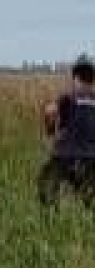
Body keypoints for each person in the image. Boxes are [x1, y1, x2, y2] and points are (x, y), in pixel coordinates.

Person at [37, 54, 95, 207]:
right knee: (88, 197)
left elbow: (49, 112)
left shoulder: (69, 97)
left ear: (75, 77)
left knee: (46, 189)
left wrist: (50, 131)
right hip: (91, 156)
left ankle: (52, 218)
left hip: (64, 154)